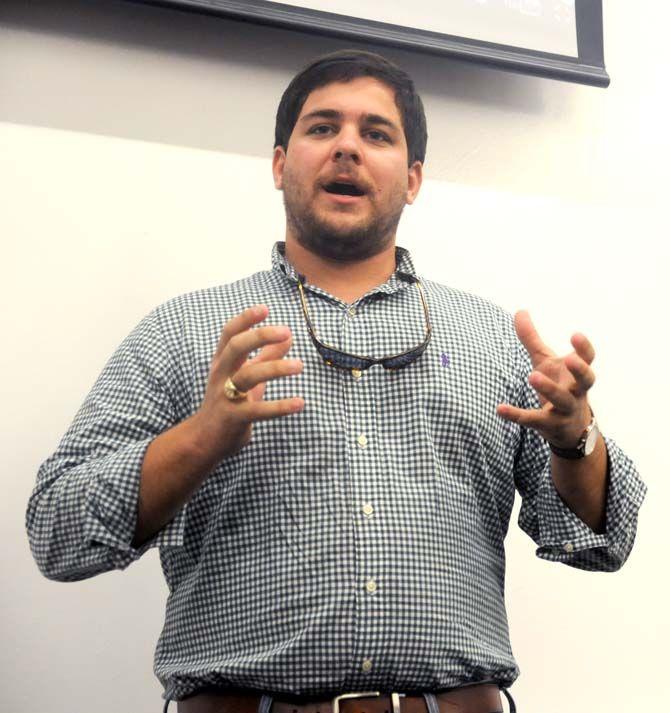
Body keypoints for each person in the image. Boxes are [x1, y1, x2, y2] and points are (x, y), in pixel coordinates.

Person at [26, 50, 646, 713]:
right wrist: (202, 435)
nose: (347, 146)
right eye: (322, 128)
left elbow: (604, 540)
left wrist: (577, 440)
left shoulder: (495, 339)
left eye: (376, 134)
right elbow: (56, 531)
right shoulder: (187, 334)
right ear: (277, 164)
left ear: (412, 180)